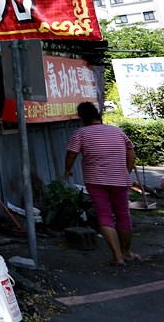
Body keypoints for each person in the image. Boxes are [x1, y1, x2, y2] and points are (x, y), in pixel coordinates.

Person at [64, 101, 138, 265]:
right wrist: (125, 172)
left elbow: (71, 154)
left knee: (105, 215)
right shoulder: (117, 131)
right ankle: (126, 253)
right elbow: (131, 155)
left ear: (81, 117)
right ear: (98, 115)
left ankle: (117, 256)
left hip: (95, 180)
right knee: (123, 214)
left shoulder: (80, 133)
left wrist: (67, 170)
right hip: (119, 179)